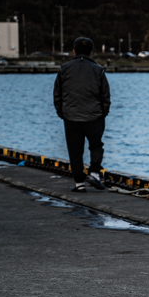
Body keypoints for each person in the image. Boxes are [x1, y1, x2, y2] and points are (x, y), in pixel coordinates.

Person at [53, 37, 110, 192]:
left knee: (75, 149)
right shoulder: (98, 70)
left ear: (74, 51)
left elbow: (57, 94)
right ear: (91, 52)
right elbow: (105, 95)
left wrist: (62, 112)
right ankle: (94, 174)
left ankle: (79, 183)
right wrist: (102, 113)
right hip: (94, 116)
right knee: (96, 145)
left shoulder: (64, 69)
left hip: (71, 116)